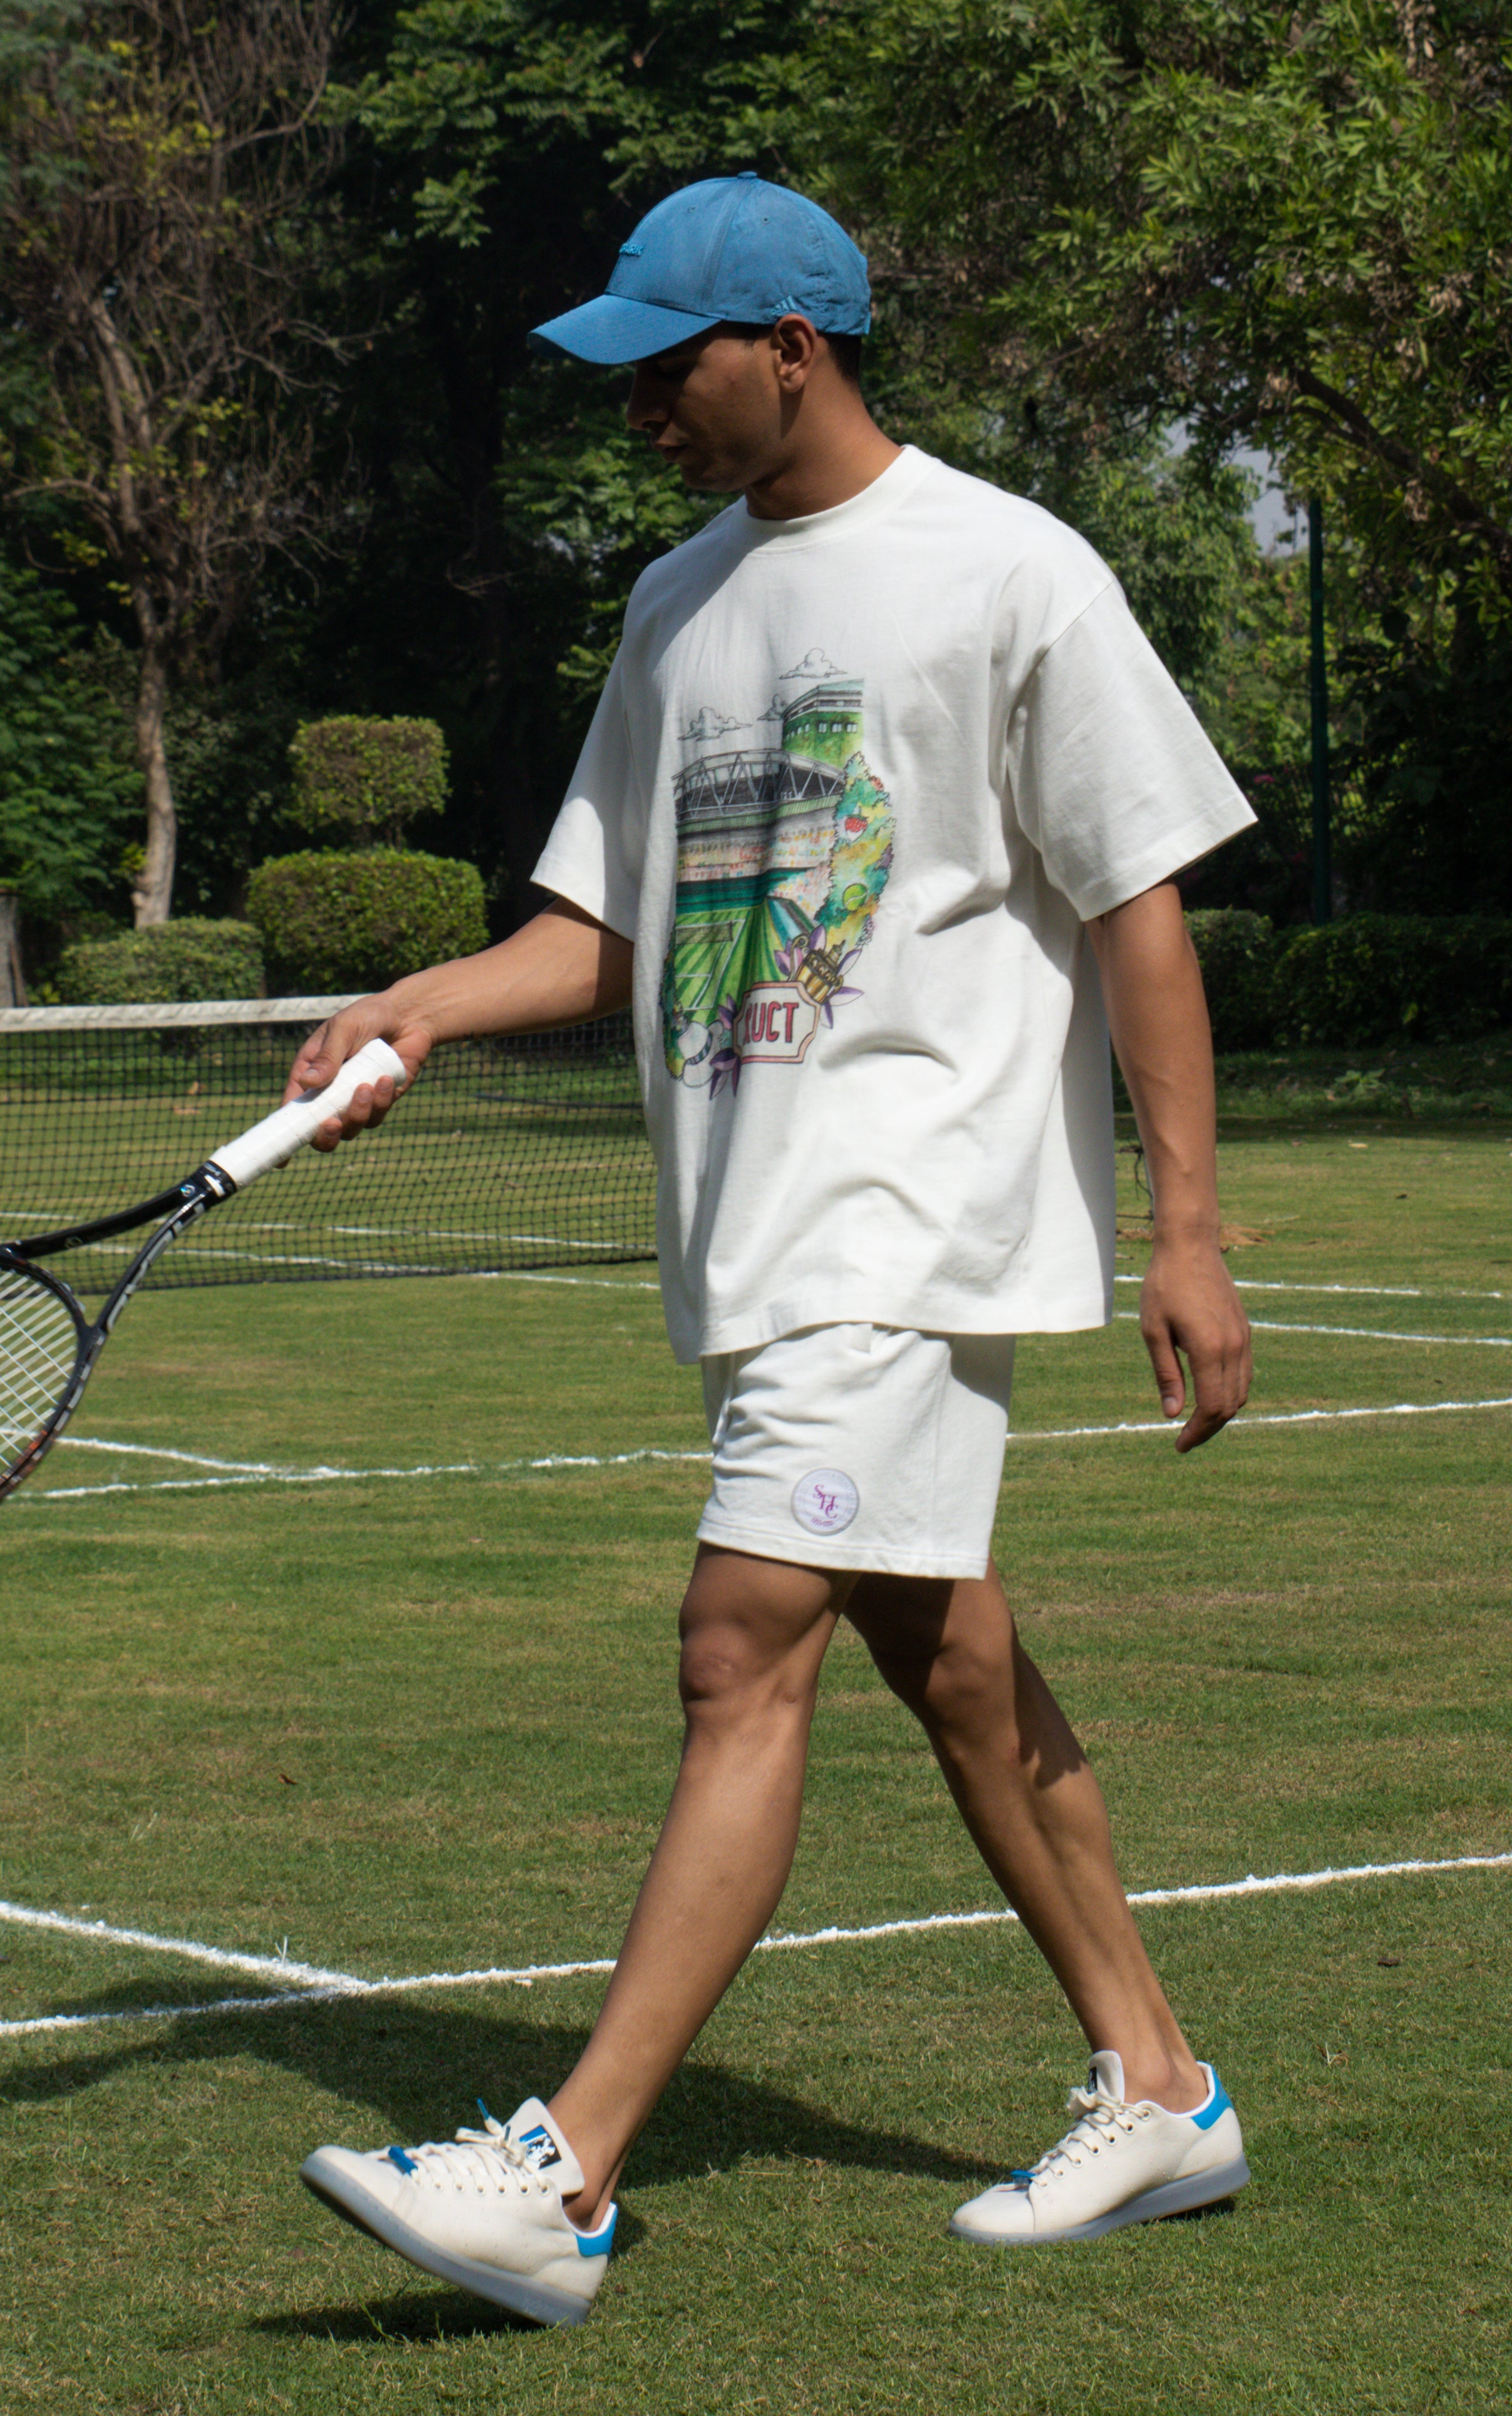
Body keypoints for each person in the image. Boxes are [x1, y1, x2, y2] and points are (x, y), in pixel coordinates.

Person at [289, 174, 1256, 2328]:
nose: (641, 402)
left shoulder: (1015, 569)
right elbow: (602, 927)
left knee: (744, 1644)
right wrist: (419, 1004)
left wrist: (1190, 1229)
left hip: (917, 1216)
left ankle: (567, 2170)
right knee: (950, 1655)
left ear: (795, 347)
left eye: (674, 360)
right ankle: (1164, 2088)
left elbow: (1140, 907)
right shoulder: (676, 603)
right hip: (752, 1226)